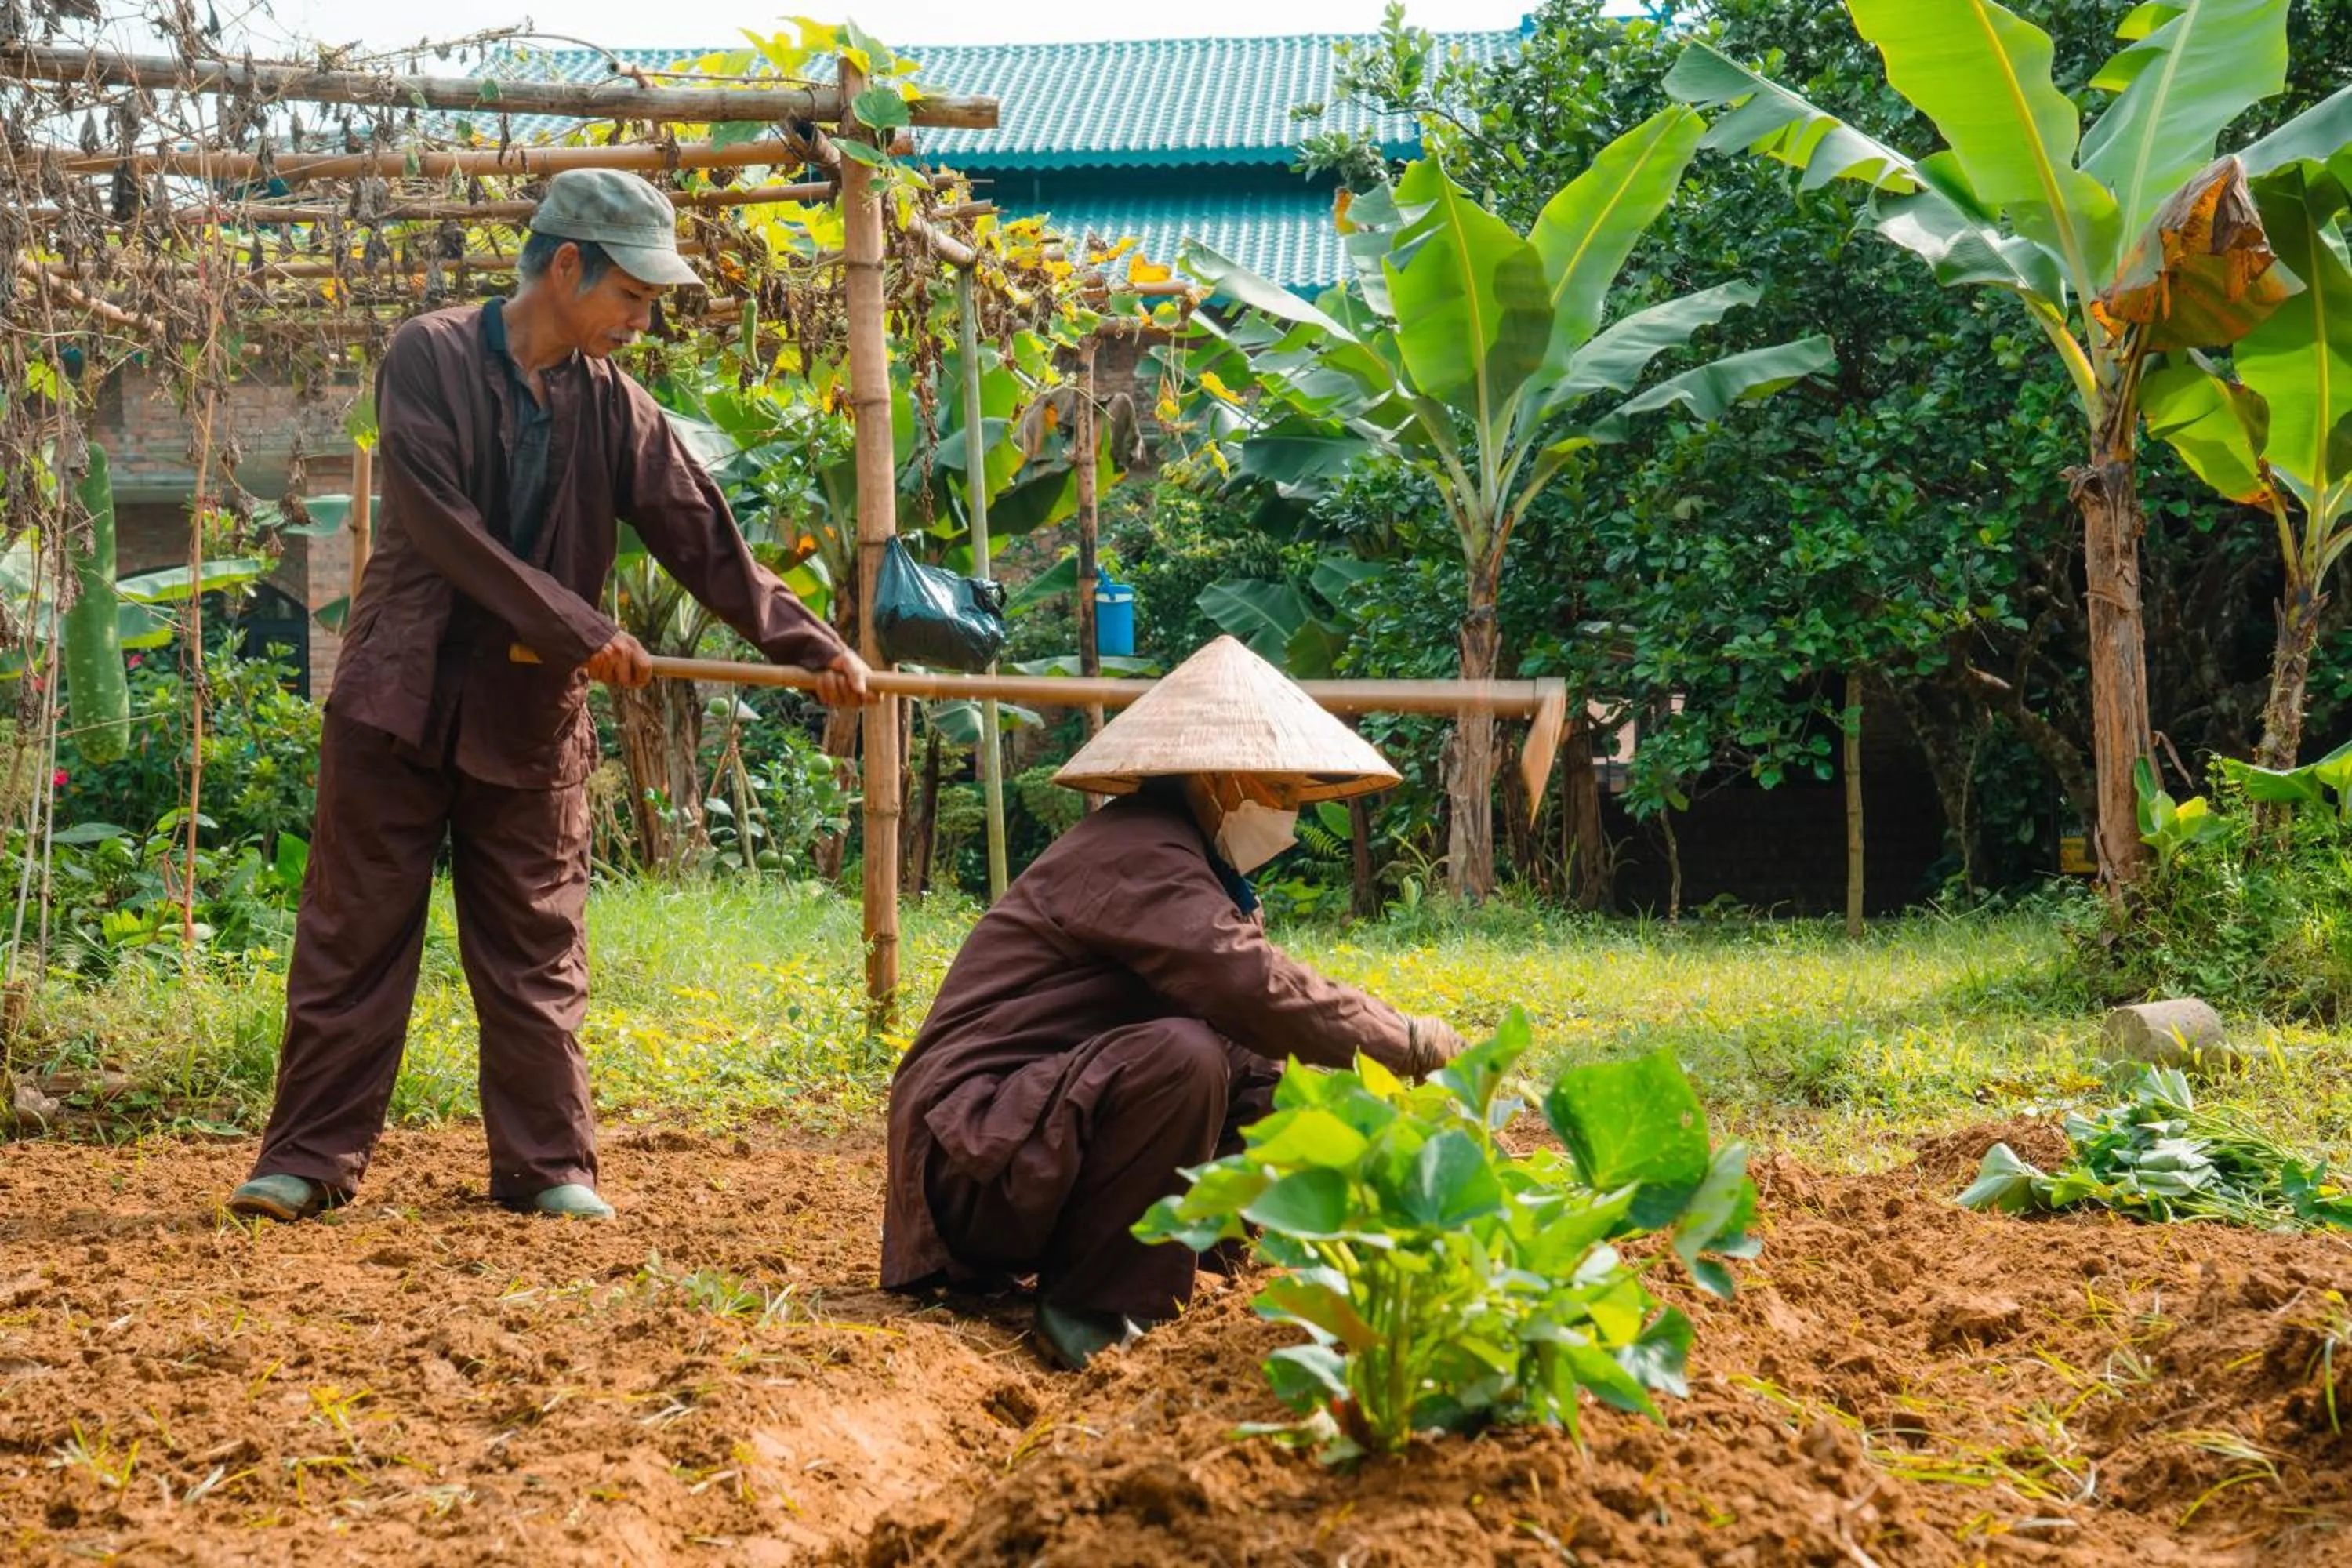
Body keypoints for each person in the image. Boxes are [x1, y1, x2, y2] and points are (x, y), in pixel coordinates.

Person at [227, 169, 869, 1224]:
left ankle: (547, 1166)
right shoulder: (427, 356)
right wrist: (583, 629)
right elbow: (440, 525)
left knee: (535, 941)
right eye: (632, 294)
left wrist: (811, 646)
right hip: (401, 693)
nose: (641, 318)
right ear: (567, 265)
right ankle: (305, 1158)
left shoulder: (617, 406)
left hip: (527, 721)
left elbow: (703, 536)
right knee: (356, 933)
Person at [880, 636, 1469, 1368]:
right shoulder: (1138, 851)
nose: (1286, 818)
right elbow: (1247, 982)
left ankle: (1194, 1278)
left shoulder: (1194, 864)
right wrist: (1404, 1040)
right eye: (1280, 793)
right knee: (1182, 1058)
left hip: (1024, 1140)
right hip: (971, 1159)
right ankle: (1096, 1309)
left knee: (1269, 1066)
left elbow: (1259, 1010)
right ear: (1222, 778)